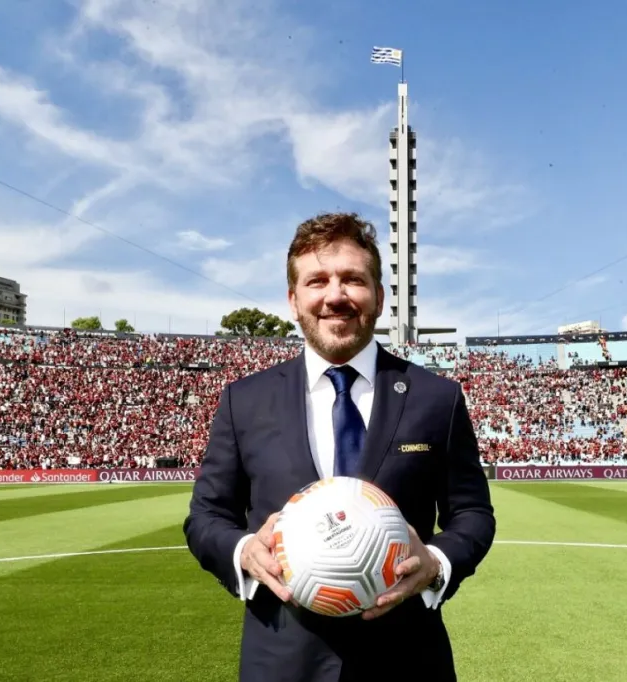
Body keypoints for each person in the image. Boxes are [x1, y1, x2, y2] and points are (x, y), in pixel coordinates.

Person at [183, 212, 496, 682]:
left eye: (353, 279)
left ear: (380, 297)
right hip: (283, 663)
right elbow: (206, 516)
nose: (335, 296)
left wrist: (436, 562)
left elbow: (472, 513)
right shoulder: (243, 401)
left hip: (408, 660)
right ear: (293, 299)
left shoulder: (437, 397)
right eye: (317, 281)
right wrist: (244, 550)